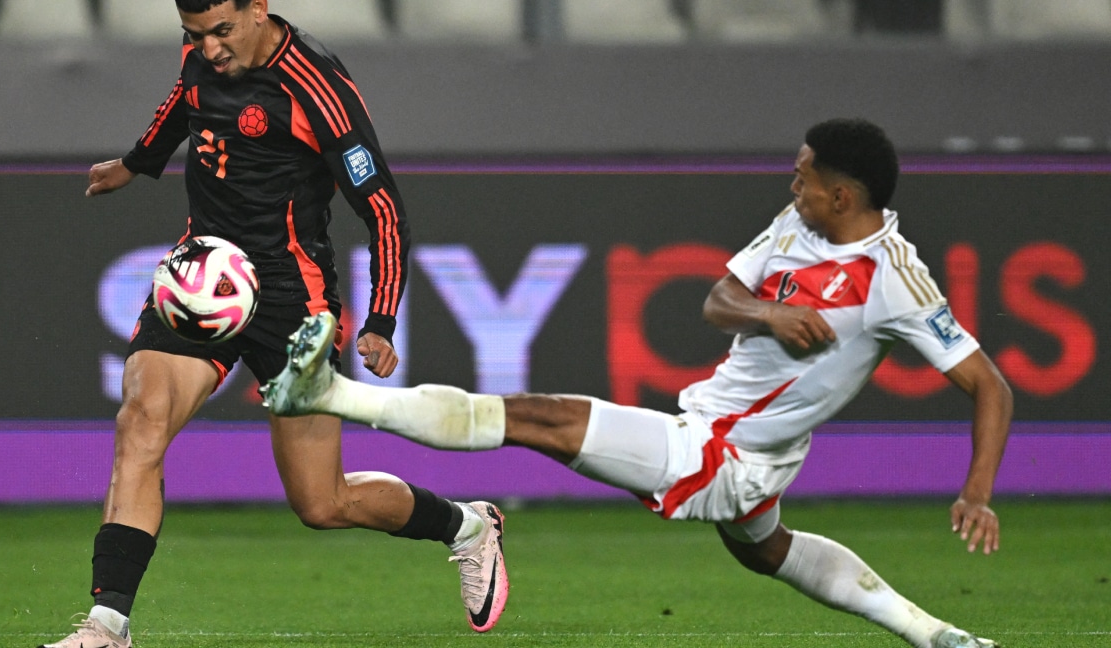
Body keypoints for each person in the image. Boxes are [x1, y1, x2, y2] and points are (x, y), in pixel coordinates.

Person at [265, 118, 1013, 648]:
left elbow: (990, 387)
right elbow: (719, 299)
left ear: (843, 196)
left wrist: (975, 491)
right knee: (766, 550)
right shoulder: (797, 223)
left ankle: (330, 394)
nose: (793, 184)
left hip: (724, 453)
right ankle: (936, 635)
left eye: (804, 175)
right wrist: (770, 314)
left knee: (540, 419)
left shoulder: (898, 282)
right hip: (737, 438)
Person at [41, 0, 508, 648]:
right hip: (204, 280)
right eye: (193, 34)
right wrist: (138, 163)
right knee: (140, 421)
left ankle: (468, 526)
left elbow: (381, 207)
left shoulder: (317, 90)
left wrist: (381, 319)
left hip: (293, 303)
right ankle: (108, 626)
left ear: (258, 8)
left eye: (221, 31)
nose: (208, 48)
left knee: (323, 503)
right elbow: (184, 103)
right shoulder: (202, 57)